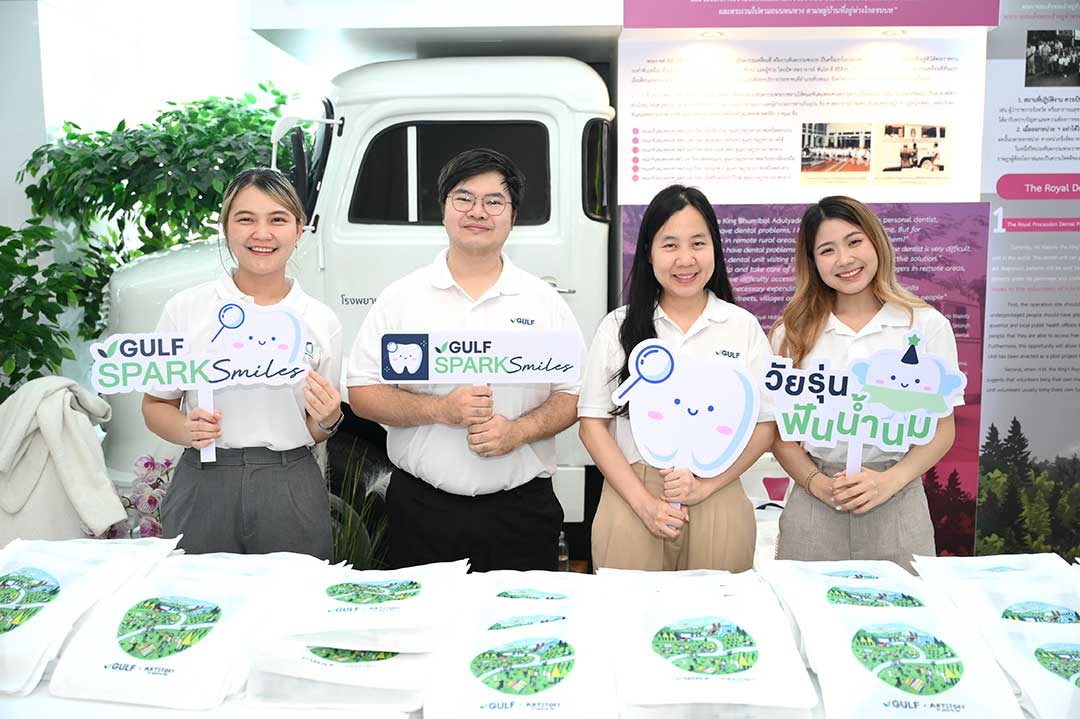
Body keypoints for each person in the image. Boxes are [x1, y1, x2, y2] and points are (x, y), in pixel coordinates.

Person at [347, 148, 582, 572]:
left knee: (521, 616)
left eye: (494, 201)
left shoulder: (543, 302)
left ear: (513, 215)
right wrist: (440, 410)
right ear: (444, 207)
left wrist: (518, 431)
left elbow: (573, 394)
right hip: (421, 512)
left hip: (521, 513)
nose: (478, 211)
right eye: (464, 198)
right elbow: (363, 393)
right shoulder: (402, 299)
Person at [143, 167, 343, 559]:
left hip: (291, 481)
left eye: (278, 220)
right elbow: (155, 405)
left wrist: (328, 419)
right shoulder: (186, 309)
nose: (262, 233)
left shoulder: (320, 320)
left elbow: (315, 428)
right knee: (196, 592)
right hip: (203, 480)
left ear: (299, 229)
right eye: (246, 219)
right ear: (225, 227)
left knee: (292, 593)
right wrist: (186, 429)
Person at [577, 185, 776, 572]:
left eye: (698, 243)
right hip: (633, 490)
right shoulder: (618, 326)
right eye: (670, 245)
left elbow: (766, 425)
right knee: (630, 605)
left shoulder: (742, 326)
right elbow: (592, 424)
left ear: (715, 248)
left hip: (717, 488)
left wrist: (706, 486)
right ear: (648, 252)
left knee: (721, 605)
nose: (686, 259)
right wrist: (644, 504)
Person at [769, 196, 961, 572]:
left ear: (876, 242)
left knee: (905, 608)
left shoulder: (925, 325)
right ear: (812, 262)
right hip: (814, 505)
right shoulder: (790, 334)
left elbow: (943, 429)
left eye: (854, 241)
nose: (844, 259)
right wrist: (816, 483)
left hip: (897, 501)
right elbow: (778, 433)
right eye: (827, 250)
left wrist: (888, 481)